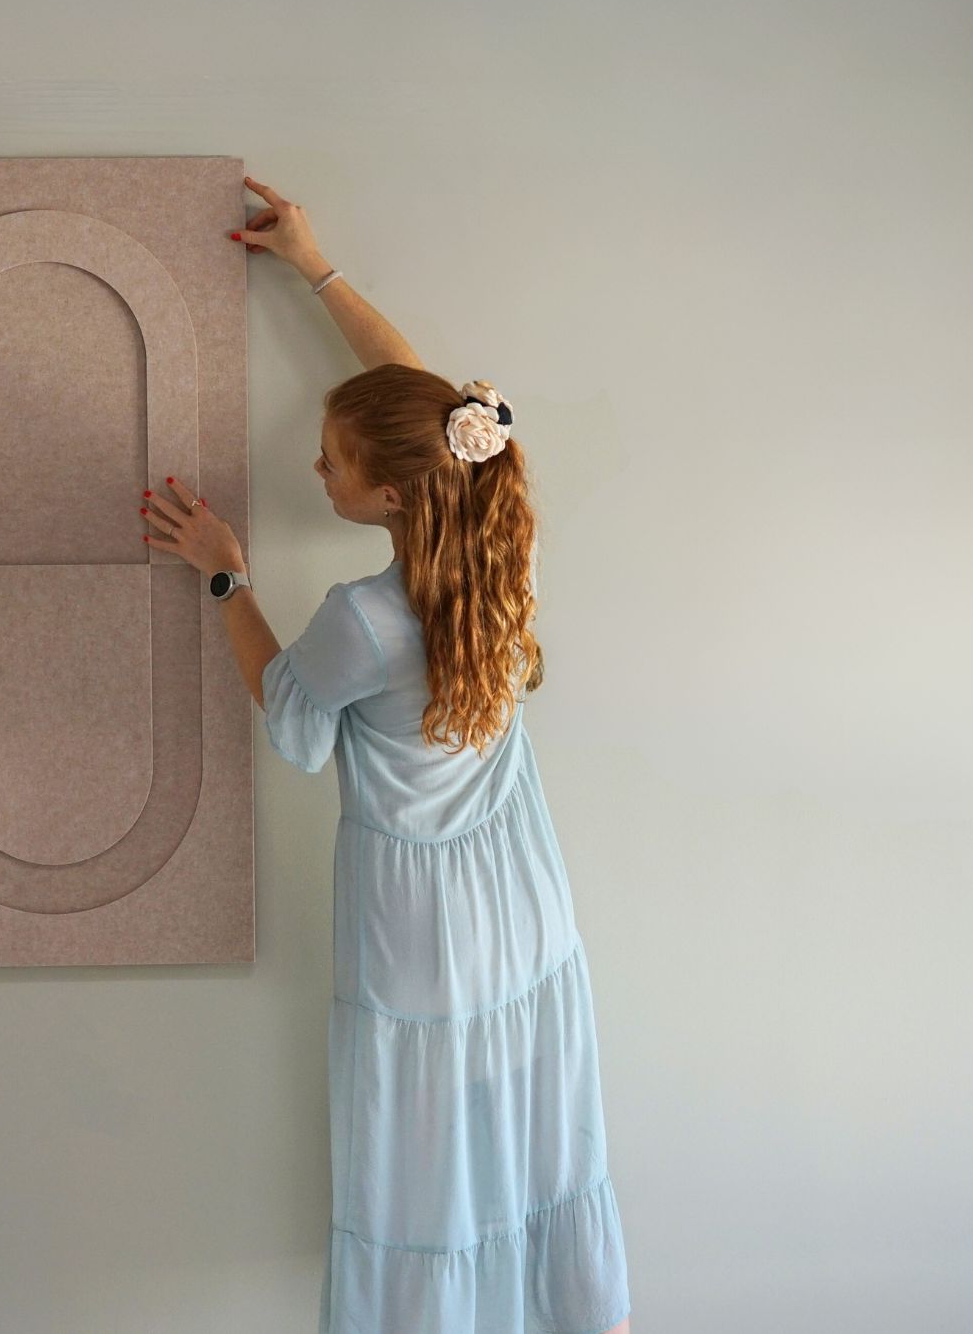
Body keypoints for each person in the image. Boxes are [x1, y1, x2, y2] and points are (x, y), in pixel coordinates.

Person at [140, 175, 632, 1334]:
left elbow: (299, 729)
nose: (315, 473)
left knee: (421, 1178)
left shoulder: (366, 619)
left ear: (392, 491)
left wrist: (225, 577)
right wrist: (316, 267)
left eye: (330, 461)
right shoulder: (494, 547)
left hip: (415, 936)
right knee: (539, 1141)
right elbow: (418, 405)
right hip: (521, 904)